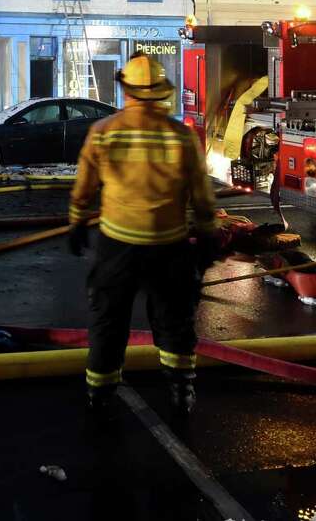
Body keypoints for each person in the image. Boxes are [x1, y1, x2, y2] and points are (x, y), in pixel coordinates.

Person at [67, 54, 219, 415]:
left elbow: (84, 186)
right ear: (161, 93)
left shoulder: (104, 132)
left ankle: (99, 395)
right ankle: (181, 390)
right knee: (174, 319)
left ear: (126, 90)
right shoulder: (181, 136)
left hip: (117, 243)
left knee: (109, 319)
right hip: (169, 245)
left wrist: (76, 221)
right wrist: (209, 232)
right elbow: (201, 191)